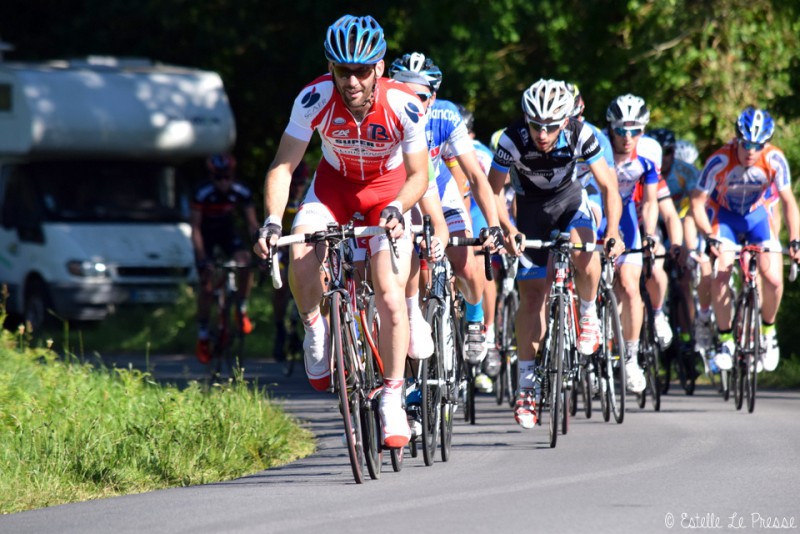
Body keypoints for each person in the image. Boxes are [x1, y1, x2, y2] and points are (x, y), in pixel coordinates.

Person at [253, 15, 430, 448]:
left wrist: (396, 207)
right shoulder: (313, 98)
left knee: (388, 290)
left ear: (379, 69)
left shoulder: (404, 104)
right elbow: (283, 166)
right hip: (331, 191)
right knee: (300, 251)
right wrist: (272, 220)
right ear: (329, 68)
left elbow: (419, 175)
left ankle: (391, 396)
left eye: (361, 71)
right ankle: (316, 326)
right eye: (341, 70)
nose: (351, 81)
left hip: (387, 194)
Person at [488, 79, 625, 429]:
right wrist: (507, 229)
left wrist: (612, 233)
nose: (542, 134)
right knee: (532, 298)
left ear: (565, 121)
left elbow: (609, 187)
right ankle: (526, 387)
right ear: (525, 119)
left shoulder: (582, 134)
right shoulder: (512, 138)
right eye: (535, 125)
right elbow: (490, 192)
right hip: (530, 212)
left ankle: (588, 311)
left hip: (569, 202)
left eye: (550, 126)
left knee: (586, 253)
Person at [388, 52, 504, 370]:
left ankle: (475, 316)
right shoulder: (382, 117)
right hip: (398, 196)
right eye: (403, 92)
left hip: (439, 189)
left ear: (434, 97)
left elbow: (477, 176)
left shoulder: (445, 116)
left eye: (420, 96)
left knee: (466, 264)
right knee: (409, 280)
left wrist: (493, 224)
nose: (411, 102)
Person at [691, 106, 800, 373]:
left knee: (773, 278)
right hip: (724, 217)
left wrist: (796, 239)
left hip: (756, 218)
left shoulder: (774, 159)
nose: (751, 150)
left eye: (758, 144)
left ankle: (768, 332)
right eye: (746, 143)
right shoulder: (719, 160)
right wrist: (708, 236)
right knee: (720, 275)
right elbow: (696, 202)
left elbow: (788, 201)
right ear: (737, 139)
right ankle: (726, 341)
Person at [605, 94, 661, 393]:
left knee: (629, 284)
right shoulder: (597, 146)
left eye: (635, 131)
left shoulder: (650, 151)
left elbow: (650, 201)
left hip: (626, 214)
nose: (628, 138)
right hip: (594, 210)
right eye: (621, 131)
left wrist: (649, 233)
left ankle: (630, 358)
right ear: (610, 128)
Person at [191, 153, 260, 364]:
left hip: (227, 233)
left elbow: (252, 224)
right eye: (218, 177)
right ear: (212, 176)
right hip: (206, 235)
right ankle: (203, 334)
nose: (223, 182)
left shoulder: (241, 190)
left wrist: (261, 246)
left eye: (227, 177)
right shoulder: (202, 193)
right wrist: (203, 259)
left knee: (245, 261)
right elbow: (195, 228)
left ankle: (241, 306)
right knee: (207, 284)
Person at [272, 161, 310, 363]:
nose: (296, 187)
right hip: (282, 243)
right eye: (293, 183)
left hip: (304, 242)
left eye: (300, 183)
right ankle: (279, 328)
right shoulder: (282, 195)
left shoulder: (309, 194)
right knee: (280, 287)